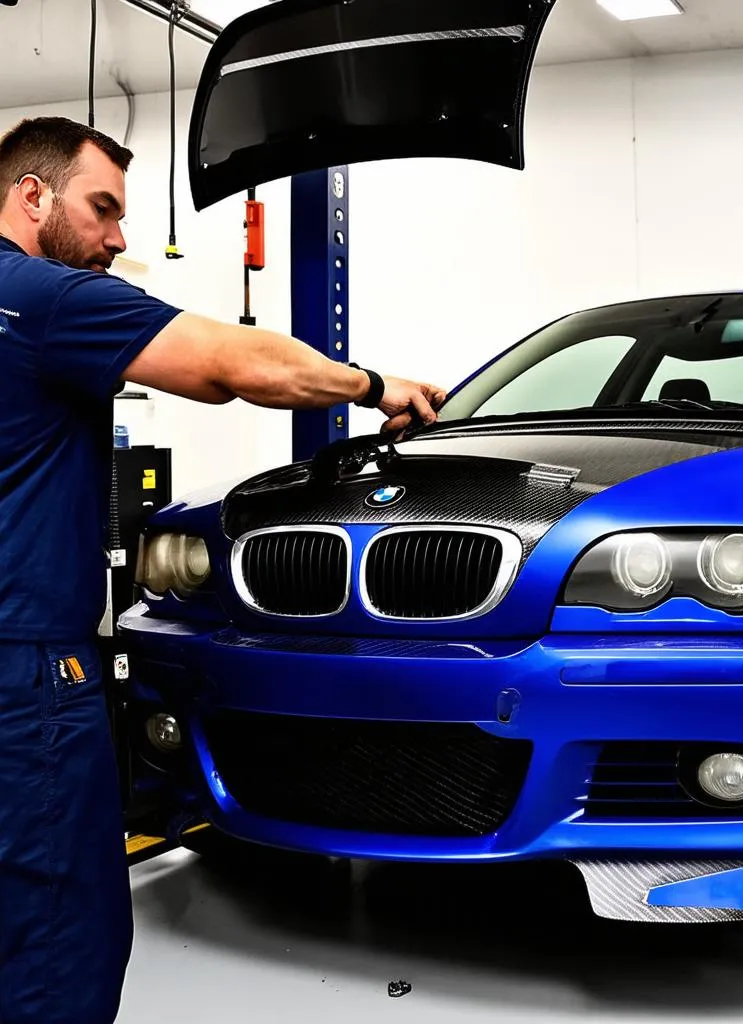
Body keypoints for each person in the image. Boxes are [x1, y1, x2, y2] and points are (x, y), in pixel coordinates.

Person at [0, 116, 445, 1024]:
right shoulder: (41, 298)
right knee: (55, 937)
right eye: (103, 209)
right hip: (26, 673)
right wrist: (374, 386)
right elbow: (230, 366)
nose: (118, 239)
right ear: (31, 196)